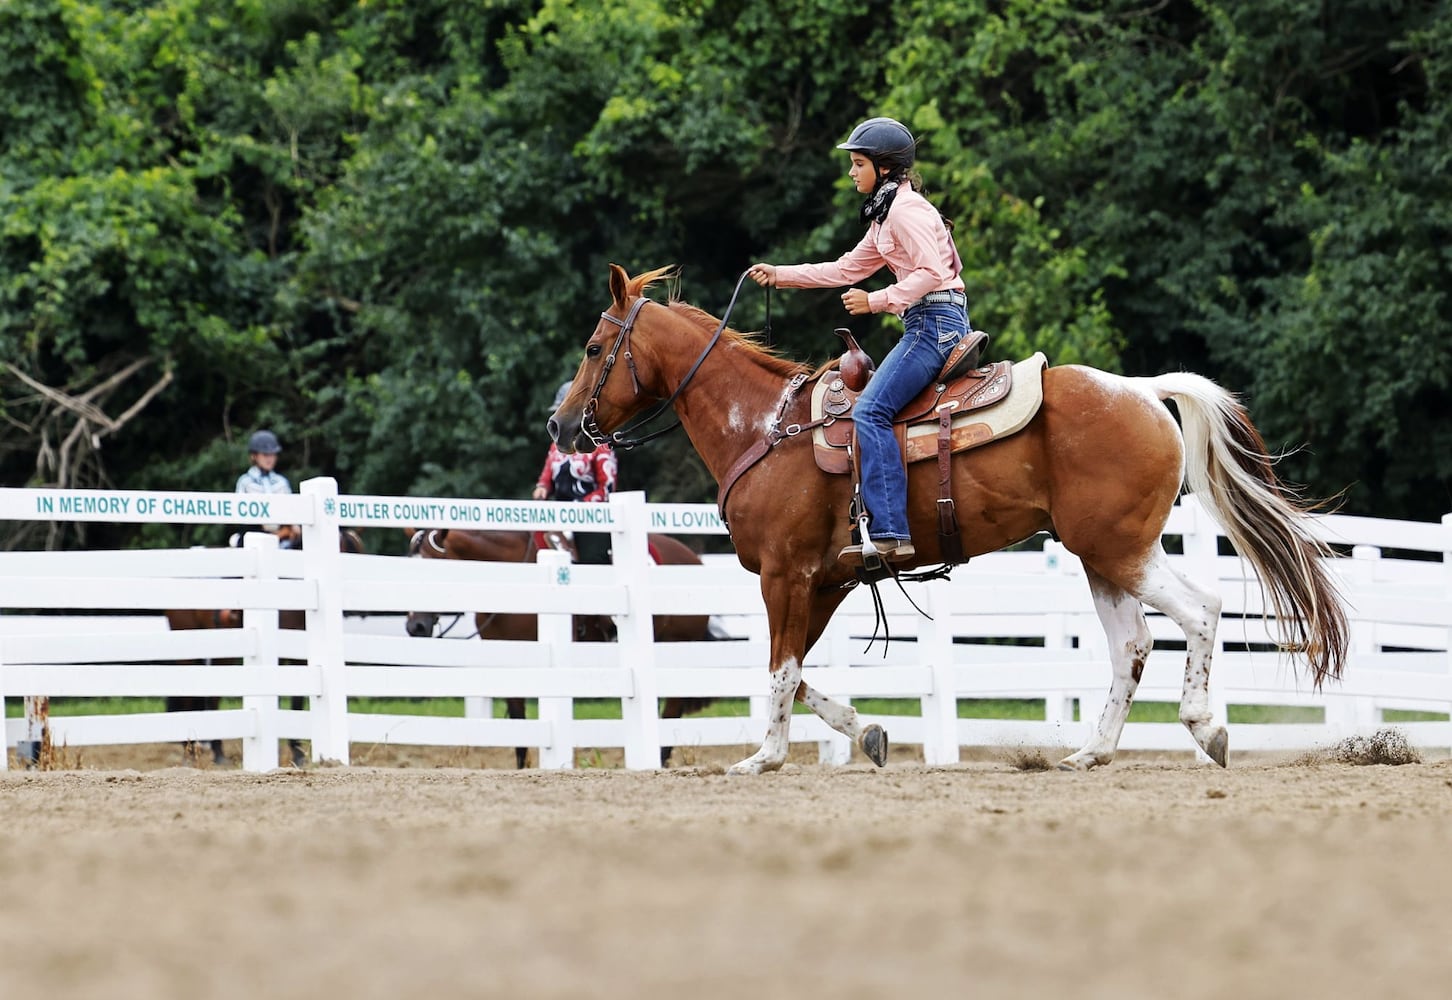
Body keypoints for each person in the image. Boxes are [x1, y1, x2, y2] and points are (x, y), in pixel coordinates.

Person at [747, 116, 968, 568]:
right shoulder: (888, 215)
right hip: (929, 320)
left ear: (884, 168)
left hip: (933, 323)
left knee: (871, 410)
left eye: (858, 162)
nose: (851, 171)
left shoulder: (905, 213)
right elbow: (844, 269)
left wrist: (877, 300)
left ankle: (891, 532)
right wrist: (780, 276)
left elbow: (931, 274)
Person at [532, 381, 618, 564]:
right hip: (560, 513)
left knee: (593, 558)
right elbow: (547, 474)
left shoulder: (600, 446)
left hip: (592, 517)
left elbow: (607, 488)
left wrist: (579, 506)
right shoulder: (555, 447)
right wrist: (542, 487)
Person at [231, 428, 296, 547]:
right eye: (265, 454)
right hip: (254, 533)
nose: (270, 459)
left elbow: (292, 513)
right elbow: (240, 517)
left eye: (273, 454)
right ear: (254, 456)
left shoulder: (282, 482)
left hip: (282, 536)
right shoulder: (245, 482)